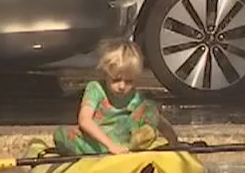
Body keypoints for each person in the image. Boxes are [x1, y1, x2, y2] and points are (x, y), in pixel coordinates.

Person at [51, 39, 179, 156]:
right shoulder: (96, 89)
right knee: (61, 134)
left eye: (129, 81)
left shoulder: (135, 96)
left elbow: (159, 120)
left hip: (125, 137)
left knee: (150, 107)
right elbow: (85, 121)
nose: (122, 86)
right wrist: (110, 145)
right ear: (106, 73)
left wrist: (174, 142)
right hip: (97, 140)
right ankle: (124, 147)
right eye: (116, 80)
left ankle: (141, 139)